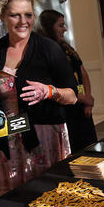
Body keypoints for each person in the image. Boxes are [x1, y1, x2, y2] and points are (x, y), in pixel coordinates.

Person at [0, 0, 77, 197]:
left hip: (44, 136)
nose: (23, 22)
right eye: (15, 15)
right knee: (14, 198)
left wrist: (49, 91)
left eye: (29, 15)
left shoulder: (49, 48)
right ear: (3, 16)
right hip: (6, 138)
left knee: (50, 195)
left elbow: (72, 96)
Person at [39, 9, 97, 153]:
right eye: (60, 25)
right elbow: (55, 86)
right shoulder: (46, 51)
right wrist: (85, 99)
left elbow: (83, 73)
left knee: (91, 148)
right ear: (49, 27)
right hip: (66, 110)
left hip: (82, 107)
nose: (64, 29)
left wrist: (87, 101)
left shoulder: (67, 48)